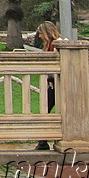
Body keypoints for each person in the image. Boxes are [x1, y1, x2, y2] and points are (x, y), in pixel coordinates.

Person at [35, 21, 61, 150]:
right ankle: (42, 142)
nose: (39, 36)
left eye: (40, 33)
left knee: (46, 112)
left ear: (46, 33)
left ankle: (43, 143)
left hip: (60, 87)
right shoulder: (51, 45)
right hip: (54, 86)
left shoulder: (57, 45)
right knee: (45, 112)